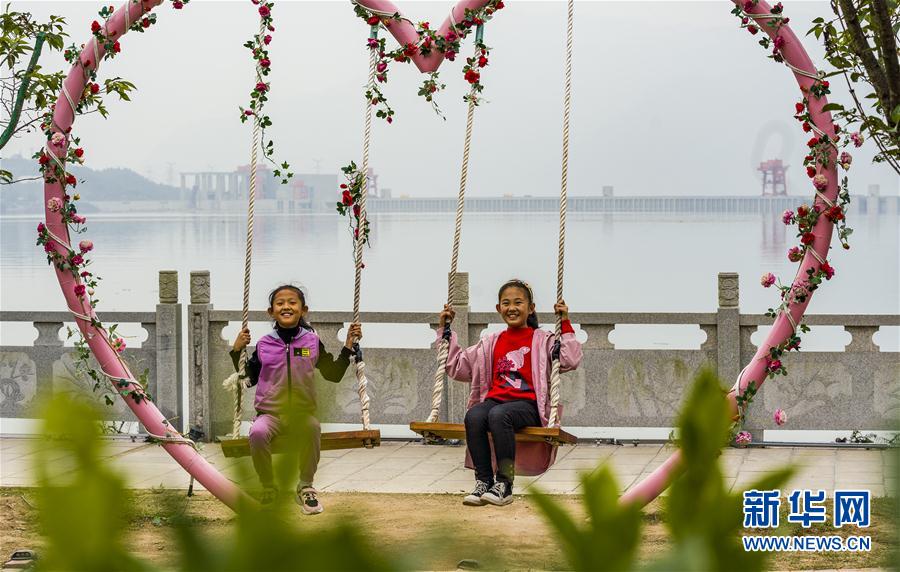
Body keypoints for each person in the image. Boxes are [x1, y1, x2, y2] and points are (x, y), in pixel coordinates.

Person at [438, 279, 582, 506]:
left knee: (498, 415)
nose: (511, 308)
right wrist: (445, 331)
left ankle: (504, 484)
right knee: (474, 416)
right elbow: (458, 366)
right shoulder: (491, 342)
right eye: (506, 303)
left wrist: (564, 322)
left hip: (528, 406)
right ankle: (483, 481)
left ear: (531, 308)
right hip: (496, 400)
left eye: (518, 302)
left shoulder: (542, 340)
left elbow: (570, 359)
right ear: (498, 309)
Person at [231, 284, 361, 514]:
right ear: (271, 312)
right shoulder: (264, 344)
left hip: (302, 414)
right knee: (258, 433)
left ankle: (305, 486)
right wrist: (236, 351)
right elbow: (248, 379)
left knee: (312, 428)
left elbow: (333, 374)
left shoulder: (311, 342)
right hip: (269, 415)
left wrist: (349, 346)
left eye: (292, 302)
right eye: (280, 303)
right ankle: (268, 485)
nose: (286, 307)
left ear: (303, 310)